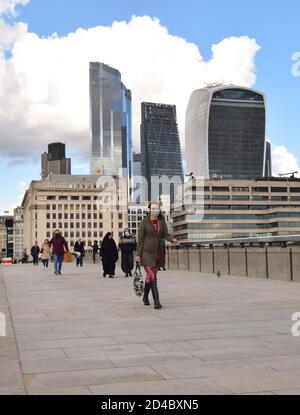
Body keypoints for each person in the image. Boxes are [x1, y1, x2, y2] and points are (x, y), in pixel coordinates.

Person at [136, 202, 177, 309]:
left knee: (151, 275)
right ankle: (157, 301)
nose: (155, 210)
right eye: (153, 208)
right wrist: (138, 255)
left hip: (158, 252)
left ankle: (145, 296)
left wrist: (172, 239)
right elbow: (140, 240)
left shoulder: (161, 222)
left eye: (157, 208)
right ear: (149, 209)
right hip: (146, 253)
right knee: (152, 275)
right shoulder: (144, 222)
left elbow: (166, 234)